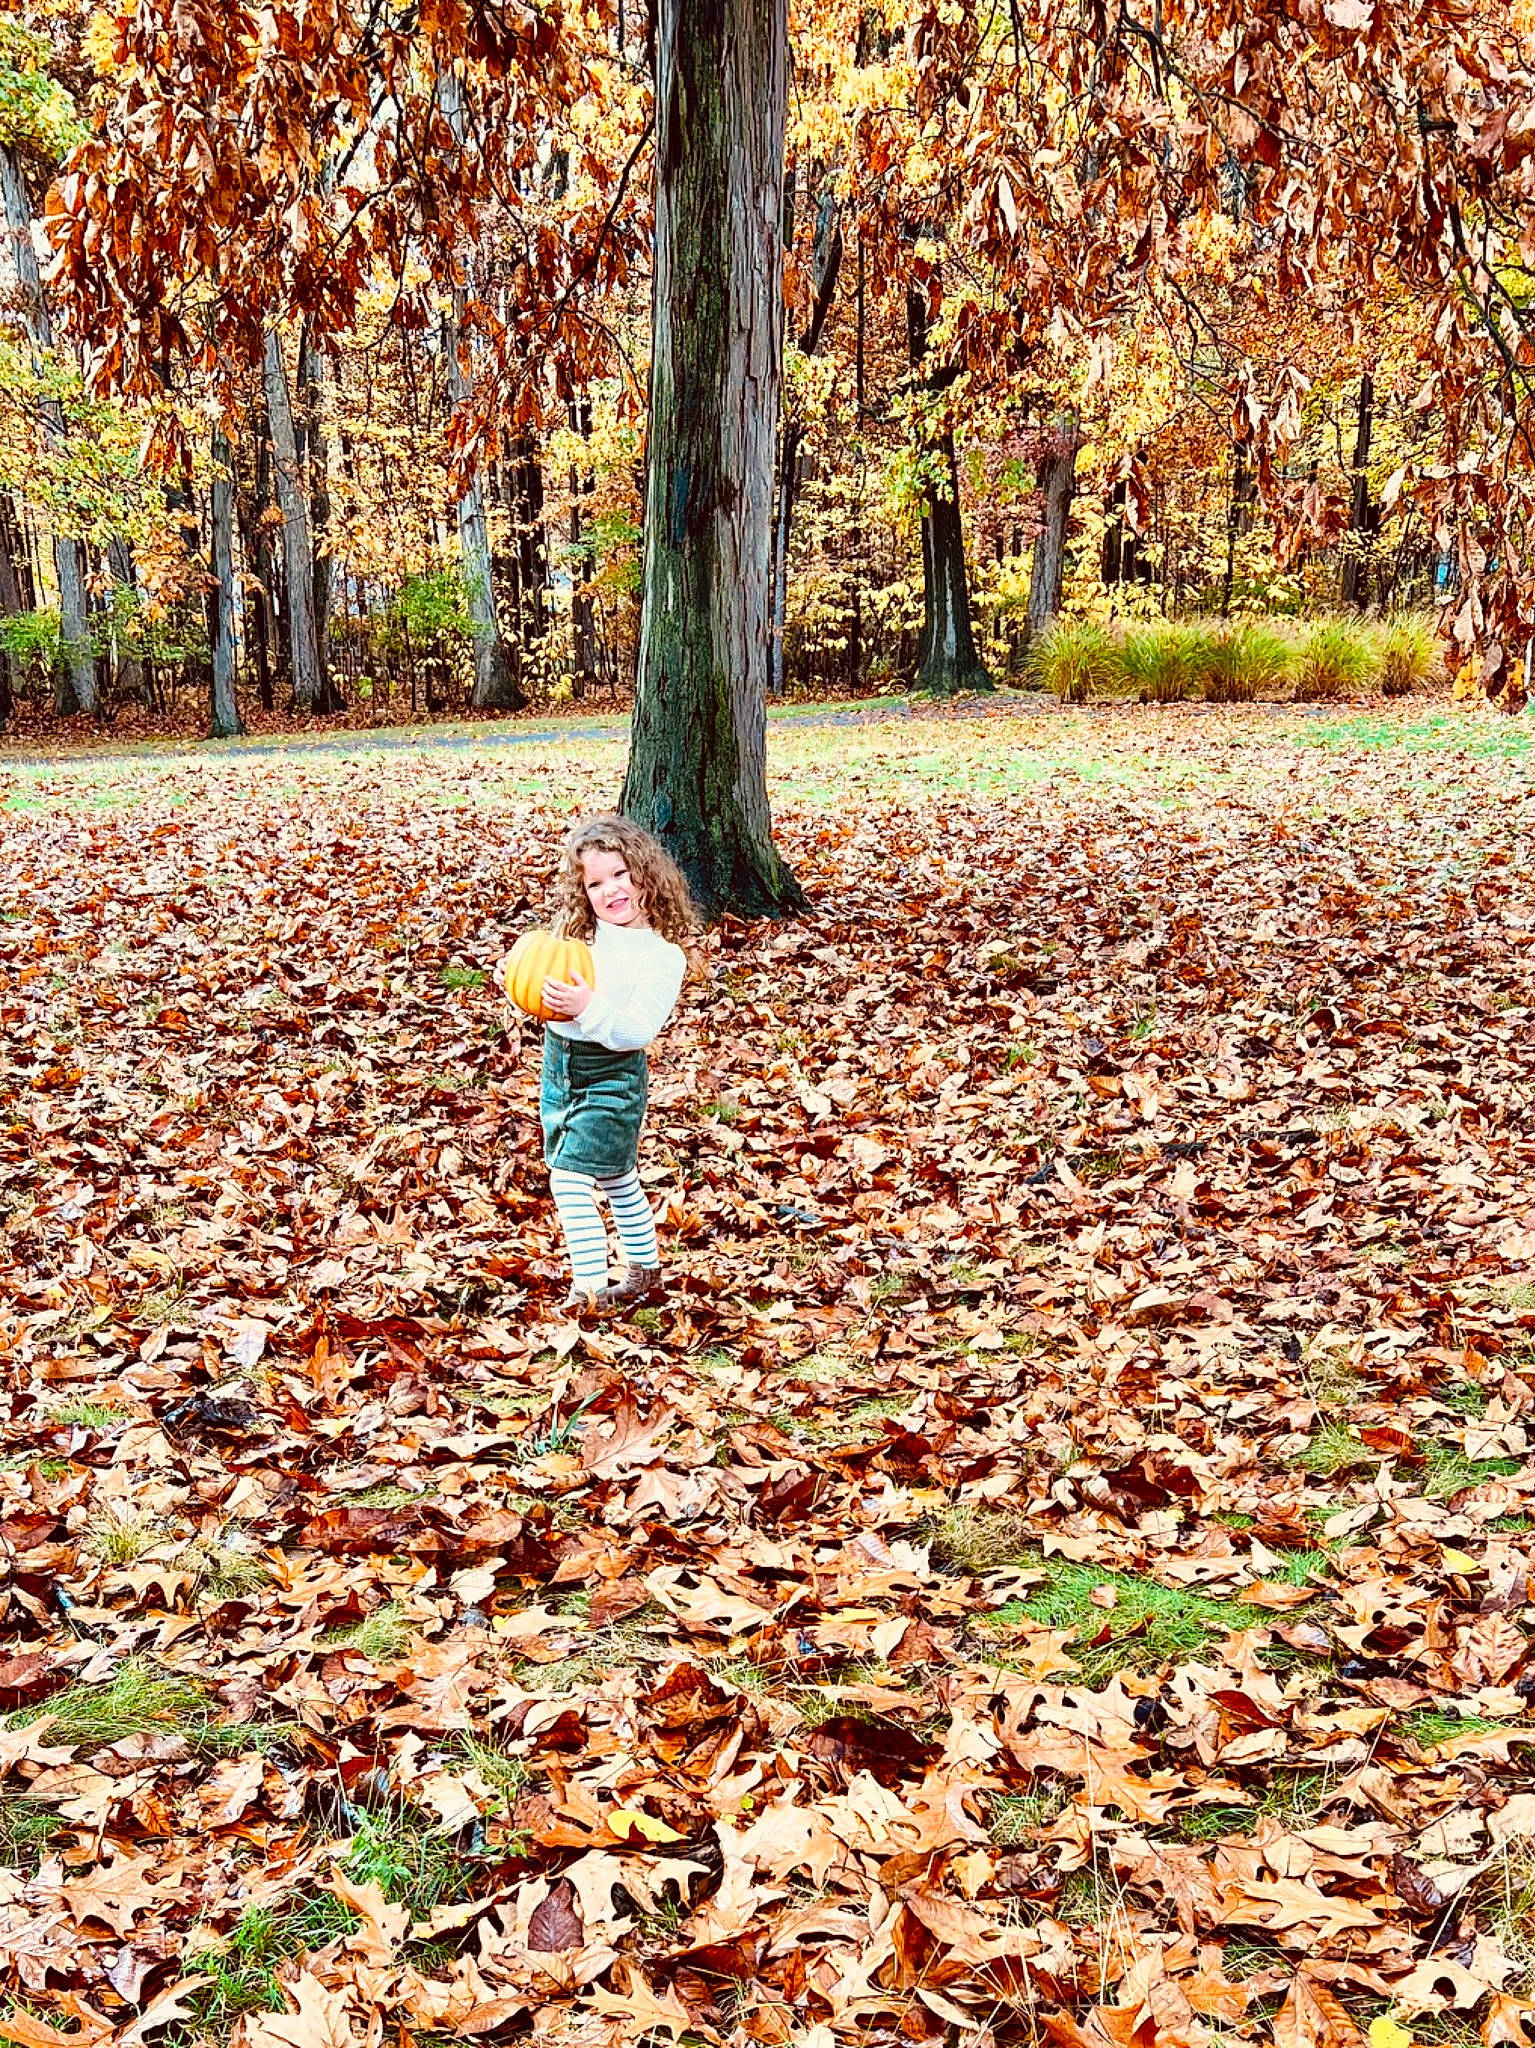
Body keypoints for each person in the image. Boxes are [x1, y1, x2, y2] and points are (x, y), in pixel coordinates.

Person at [519, 814, 694, 1312]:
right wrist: (520, 980)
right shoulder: (582, 942)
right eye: (595, 883)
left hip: (612, 1077)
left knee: (570, 1178)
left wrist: (588, 1007)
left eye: (620, 874)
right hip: (561, 1070)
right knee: (618, 1176)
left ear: (645, 874)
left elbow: (636, 1031)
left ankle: (590, 1288)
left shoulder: (662, 957)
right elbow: (544, 983)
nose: (611, 890)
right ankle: (645, 1271)